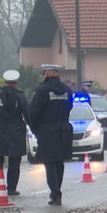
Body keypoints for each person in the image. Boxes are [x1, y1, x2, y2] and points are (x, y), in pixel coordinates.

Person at [29, 64, 73, 205]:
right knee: (60, 162)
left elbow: (34, 111)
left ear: (47, 74)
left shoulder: (42, 90)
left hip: (47, 130)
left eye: (44, 73)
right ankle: (57, 190)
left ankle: (55, 194)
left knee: (50, 163)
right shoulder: (67, 90)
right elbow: (70, 106)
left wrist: (34, 128)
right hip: (64, 129)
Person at [0, 69, 30, 196]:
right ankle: (11, 188)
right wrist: (34, 127)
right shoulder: (20, 96)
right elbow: (28, 113)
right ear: (16, 82)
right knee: (15, 160)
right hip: (16, 133)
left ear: (5, 81)